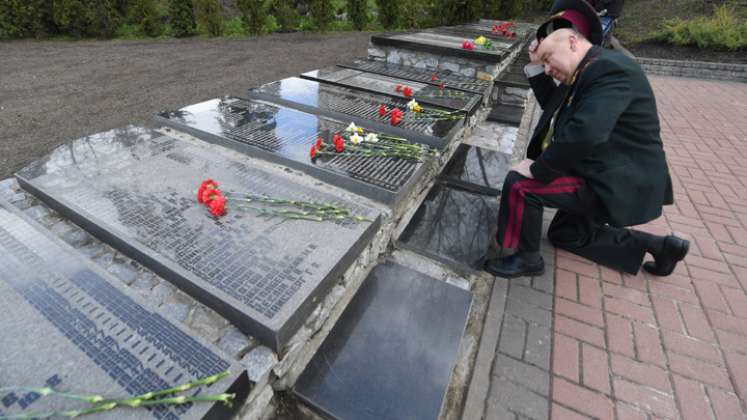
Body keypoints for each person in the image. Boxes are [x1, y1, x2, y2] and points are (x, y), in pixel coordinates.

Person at [483, 0, 688, 278]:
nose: (546, 68)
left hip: (615, 179)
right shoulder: (591, 68)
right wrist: (534, 65)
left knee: (521, 185)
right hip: (604, 167)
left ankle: (527, 259)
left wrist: (537, 169)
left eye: (548, 58)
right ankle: (659, 246)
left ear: (572, 41)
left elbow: (585, 132)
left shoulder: (609, 71)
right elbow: (555, 110)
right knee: (564, 234)